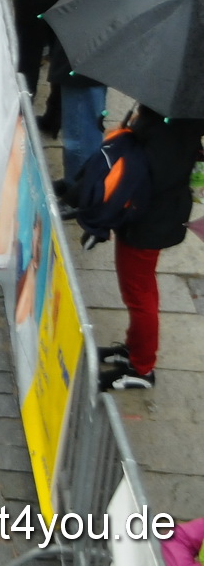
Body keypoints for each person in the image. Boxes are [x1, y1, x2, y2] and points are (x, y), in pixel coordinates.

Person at [97, 106, 204, 392]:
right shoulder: (182, 114)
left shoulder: (168, 122)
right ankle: (133, 349)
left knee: (139, 293)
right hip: (152, 215)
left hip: (149, 218)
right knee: (138, 289)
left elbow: (150, 173)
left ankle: (142, 368)